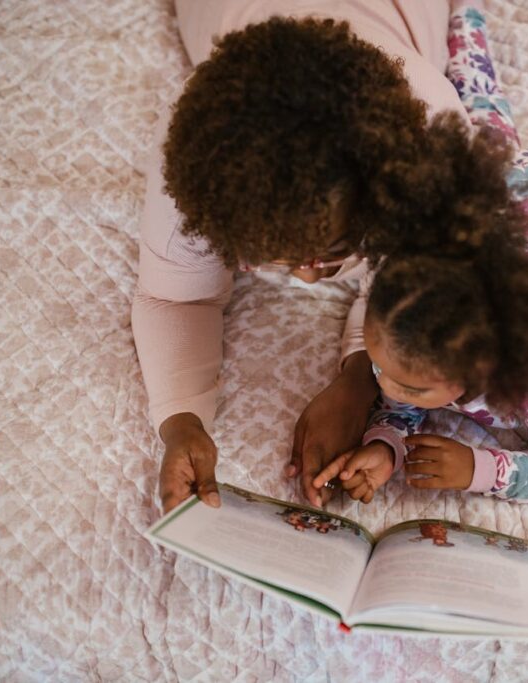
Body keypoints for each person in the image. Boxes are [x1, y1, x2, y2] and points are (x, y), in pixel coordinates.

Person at [133, 1, 499, 513]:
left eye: (329, 254)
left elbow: (411, 288)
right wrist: (181, 422)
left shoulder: (429, 142)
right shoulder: (194, 159)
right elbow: (172, 297)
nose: (307, 277)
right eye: (276, 261)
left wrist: (358, 376)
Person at [312, 0, 528, 503]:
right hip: (492, 187)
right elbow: (398, 394)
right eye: (379, 366)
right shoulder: (406, 323)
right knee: (468, 86)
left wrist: (481, 468)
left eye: (411, 388)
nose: (385, 387)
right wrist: (383, 445)